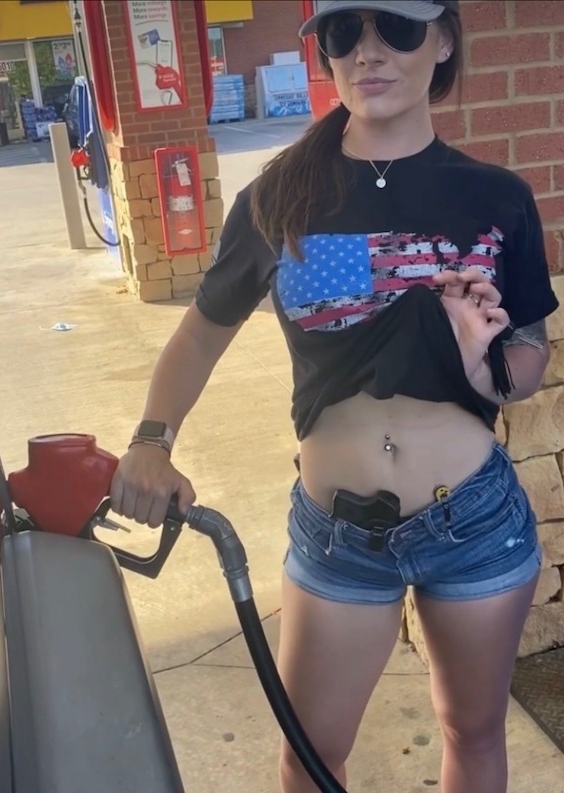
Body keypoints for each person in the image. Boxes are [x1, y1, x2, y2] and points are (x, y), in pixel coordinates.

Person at [110, 1, 559, 791]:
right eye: (346, 33)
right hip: (338, 539)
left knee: (474, 732)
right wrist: (152, 438)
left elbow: (527, 353)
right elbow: (198, 335)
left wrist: (484, 356)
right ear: (325, 50)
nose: (370, 53)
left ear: (445, 39)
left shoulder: (497, 198)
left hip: (476, 524)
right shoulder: (277, 197)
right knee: (312, 754)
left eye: (399, 28)